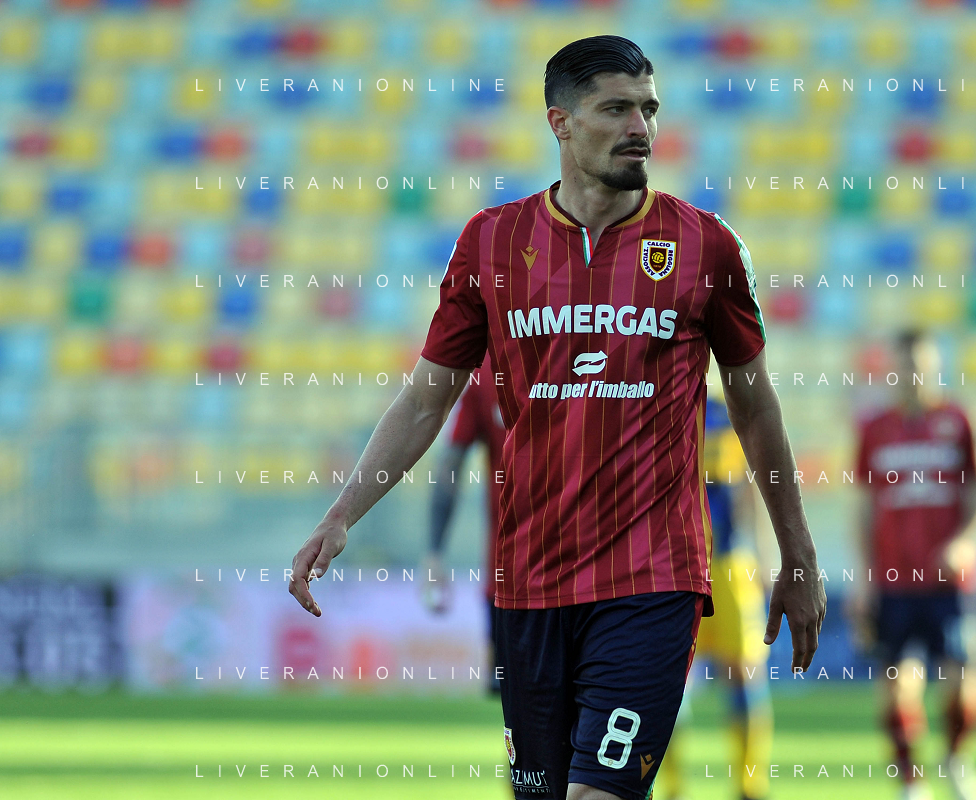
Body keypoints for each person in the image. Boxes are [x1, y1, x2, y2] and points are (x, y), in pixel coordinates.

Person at [289, 35, 826, 800]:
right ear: (560, 122)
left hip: (652, 578)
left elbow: (754, 404)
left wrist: (797, 555)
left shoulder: (705, 246)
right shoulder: (490, 243)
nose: (640, 127)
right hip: (530, 582)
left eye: (648, 109)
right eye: (616, 109)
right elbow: (427, 396)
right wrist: (342, 513)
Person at [848, 328, 976, 800]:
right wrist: (863, 577)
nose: (912, 375)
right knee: (897, 685)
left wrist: (966, 542)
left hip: (949, 583)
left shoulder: (961, 419)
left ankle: (955, 758)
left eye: (920, 366)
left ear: (936, 367)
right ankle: (911, 782)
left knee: (964, 682)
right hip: (893, 581)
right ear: (891, 370)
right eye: (904, 366)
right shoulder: (873, 428)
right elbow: (863, 506)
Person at [657, 364, 776, 800]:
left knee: (744, 674)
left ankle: (749, 787)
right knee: (668, 681)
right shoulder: (653, 410)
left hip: (729, 564)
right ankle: (670, 787)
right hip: (672, 567)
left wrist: (765, 557)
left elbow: (751, 489)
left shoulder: (730, 413)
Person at [422, 353, 506, 695]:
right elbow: (451, 464)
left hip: (589, 573)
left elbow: (450, 465)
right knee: (520, 701)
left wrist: (434, 552)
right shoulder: (485, 376)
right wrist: (434, 552)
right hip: (509, 577)